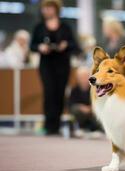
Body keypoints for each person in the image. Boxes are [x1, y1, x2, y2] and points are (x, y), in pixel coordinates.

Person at [30, 0, 79, 135]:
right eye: (44, 8)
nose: (46, 11)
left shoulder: (65, 27)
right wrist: (40, 47)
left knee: (59, 93)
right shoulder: (39, 27)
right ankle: (49, 125)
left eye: (49, 8)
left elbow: (75, 46)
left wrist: (66, 45)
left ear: (56, 9)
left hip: (63, 65)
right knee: (49, 92)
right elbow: (32, 46)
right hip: (46, 64)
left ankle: (56, 125)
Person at [68, 67, 103, 138]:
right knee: (75, 109)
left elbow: (100, 102)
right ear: (77, 78)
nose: (83, 79)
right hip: (81, 114)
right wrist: (81, 107)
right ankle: (81, 128)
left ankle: (98, 129)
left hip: (93, 113)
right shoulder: (74, 90)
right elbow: (70, 104)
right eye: (81, 77)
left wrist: (90, 108)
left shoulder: (96, 88)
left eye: (85, 76)